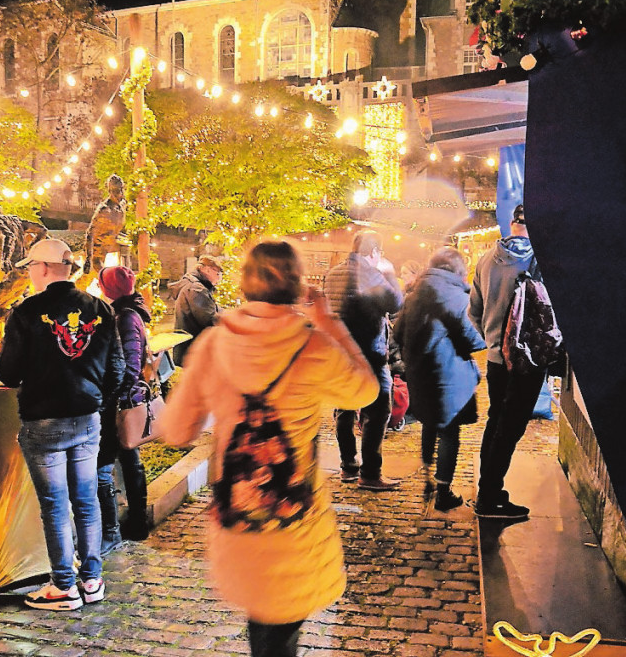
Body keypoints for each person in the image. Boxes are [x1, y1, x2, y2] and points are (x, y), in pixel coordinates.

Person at [160, 241, 378, 657]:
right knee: (279, 630)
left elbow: (176, 429)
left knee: (265, 626)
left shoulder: (213, 344)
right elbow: (365, 391)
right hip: (295, 517)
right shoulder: (313, 346)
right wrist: (329, 322)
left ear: (243, 282)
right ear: (298, 286)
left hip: (238, 514)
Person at [0, 238, 125, 611]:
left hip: (44, 420)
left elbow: (9, 372)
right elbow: (116, 368)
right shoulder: (98, 307)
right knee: (86, 501)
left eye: (31, 267)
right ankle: (92, 580)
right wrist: (98, 400)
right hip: (87, 418)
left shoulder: (26, 311)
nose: (30, 274)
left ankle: (64, 586)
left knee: (55, 505)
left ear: (45, 268)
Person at [469, 204, 547, 519]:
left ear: (513, 224)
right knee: (510, 427)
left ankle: (488, 489)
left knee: (496, 420)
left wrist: (491, 341)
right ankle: (488, 498)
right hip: (526, 359)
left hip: (496, 359)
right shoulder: (538, 260)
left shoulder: (487, 259)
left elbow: (473, 311)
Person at [392, 247, 486, 511]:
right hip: (449, 374)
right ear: (457, 269)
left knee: (428, 423)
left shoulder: (414, 293)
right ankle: (443, 491)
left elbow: (398, 332)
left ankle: (426, 477)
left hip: (420, 373)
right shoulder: (456, 296)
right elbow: (472, 338)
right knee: (449, 432)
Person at [323, 230, 405, 491]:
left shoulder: (333, 273)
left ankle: (348, 466)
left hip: (340, 353)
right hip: (369, 353)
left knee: (344, 408)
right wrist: (389, 272)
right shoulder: (370, 272)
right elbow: (395, 303)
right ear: (374, 252)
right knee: (378, 410)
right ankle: (370, 473)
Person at [95, 265, 152, 553]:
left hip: (123, 400)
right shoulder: (126, 312)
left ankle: (136, 522)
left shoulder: (126, 317)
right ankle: (133, 520)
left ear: (110, 288)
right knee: (128, 459)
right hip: (123, 397)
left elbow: (130, 363)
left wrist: (113, 392)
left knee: (126, 458)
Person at [170, 255, 223, 366]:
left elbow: (210, 308)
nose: (219, 278)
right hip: (194, 350)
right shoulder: (196, 289)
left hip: (189, 348)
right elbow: (209, 319)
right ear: (207, 270)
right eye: (217, 273)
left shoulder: (194, 285)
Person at [82, 174, 130, 277]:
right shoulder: (104, 210)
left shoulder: (121, 208)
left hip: (109, 252)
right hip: (96, 256)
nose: (119, 194)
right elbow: (90, 233)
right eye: (116, 191)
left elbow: (114, 231)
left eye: (121, 190)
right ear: (110, 191)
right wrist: (88, 258)